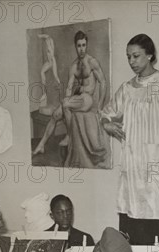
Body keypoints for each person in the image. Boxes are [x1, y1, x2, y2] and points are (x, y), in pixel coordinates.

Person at [101, 34, 159, 246]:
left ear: (149, 55)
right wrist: (107, 124)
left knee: (153, 217)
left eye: (136, 56)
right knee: (130, 216)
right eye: (128, 57)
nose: (131, 62)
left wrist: (153, 139)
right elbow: (107, 113)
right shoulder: (127, 89)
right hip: (131, 164)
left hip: (155, 162)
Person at [32, 31, 109, 168]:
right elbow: (69, 87)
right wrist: (66, 98)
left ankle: (69, 136)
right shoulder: (73, 66)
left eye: (84, 45)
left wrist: (100, 106)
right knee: (56, 114)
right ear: (75, 46)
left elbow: (103, 82)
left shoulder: (92, 63)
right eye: (79, 46)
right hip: (77, 98)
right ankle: (41, 145)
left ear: (87, 45)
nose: (81, 49)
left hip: (87, 100)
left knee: (66, 103)